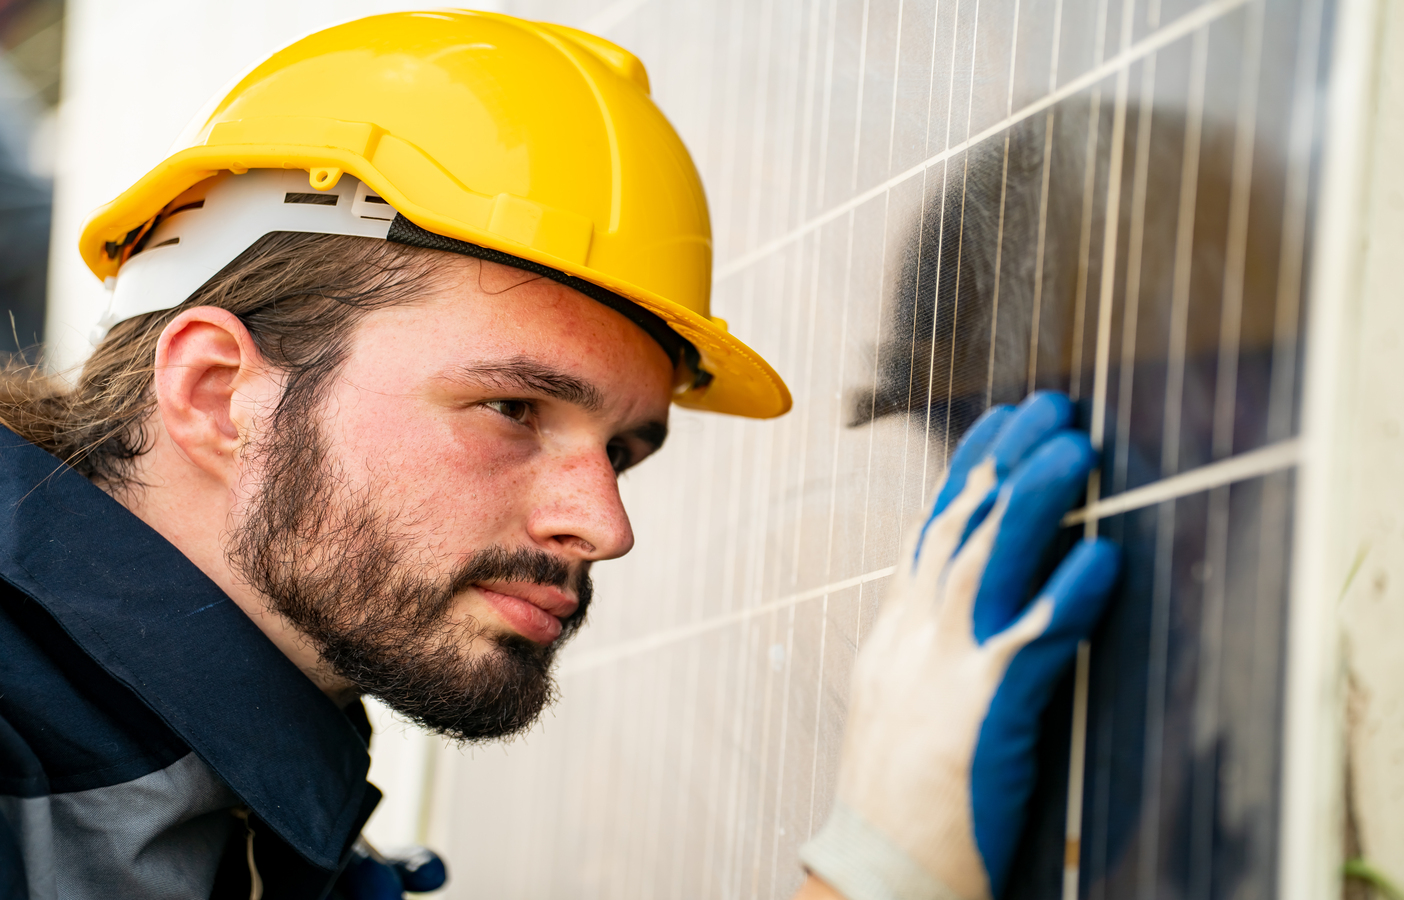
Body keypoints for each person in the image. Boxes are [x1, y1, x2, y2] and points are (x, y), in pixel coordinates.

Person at [0, 11, 1119, 900]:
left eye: (625, 449)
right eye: (514, 409)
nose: (604, 525)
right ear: (218, 393)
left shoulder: (229, 803)